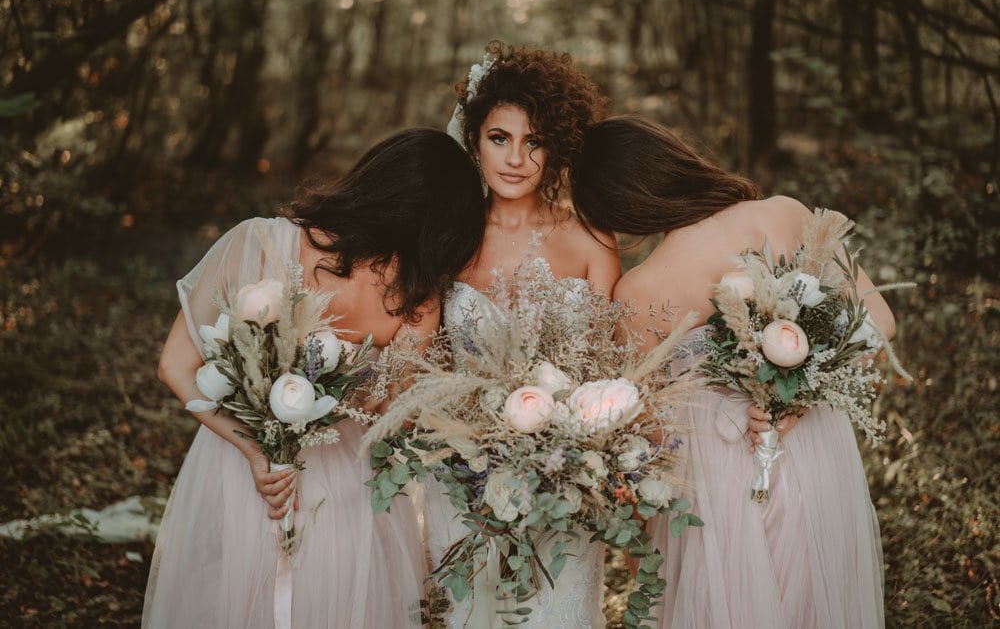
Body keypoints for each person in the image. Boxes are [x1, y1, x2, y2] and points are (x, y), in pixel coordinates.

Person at [143, 128, 487, 628]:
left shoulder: (257, 241)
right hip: (346, 490)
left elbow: (174, 367)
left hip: (241, 474)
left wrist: (258, 449)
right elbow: (390, 411)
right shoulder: (417, 298)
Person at [570, 115, 892, 628]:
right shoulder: (785, 213)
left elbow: (649, 441)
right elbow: (881, 322)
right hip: (817, 448)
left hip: (718, 484)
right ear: (673, 157)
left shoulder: (640, 292)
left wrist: (645, 556)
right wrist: (800, 392)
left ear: (619, 207)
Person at [422, 41, 620, 628]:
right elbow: (424, 364)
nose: (516, 159)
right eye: (499, 138)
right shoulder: (443, 243)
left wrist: (572, 453)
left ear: (556, 147)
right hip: (461, 478)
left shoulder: (591, 240)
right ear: (473, 141)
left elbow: (613, 367)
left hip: (566, 481)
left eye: (534, 141)